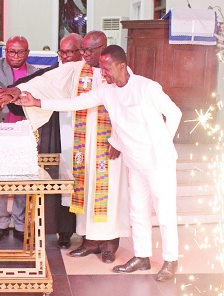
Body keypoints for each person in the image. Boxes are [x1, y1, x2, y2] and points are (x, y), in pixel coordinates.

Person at [16, 44, 182, 281]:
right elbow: (73, 103)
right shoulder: (107, 91)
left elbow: (174, 113)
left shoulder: (147, 87)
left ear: (121, 65)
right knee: (137, 212)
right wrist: (37, 102)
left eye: (106, 68)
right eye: (101, 69)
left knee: (165, 213)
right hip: (135, 162)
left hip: (158, 162)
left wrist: (164, 147)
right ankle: (142, 256)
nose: (102, 73)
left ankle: (171, 260)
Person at [0, 31, 130, 264]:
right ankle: (89, 240)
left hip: (108, 144)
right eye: (83, 50)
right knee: (84, 189)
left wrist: (118, 140)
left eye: (89, 50)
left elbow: (128, 108)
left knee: (109, 193)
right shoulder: (77, 69)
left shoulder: (119, 72)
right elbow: (46, 80)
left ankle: (109, 244)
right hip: (81, 143)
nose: (84, 54)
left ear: (103, 48)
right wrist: (17, 91)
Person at [0, 33, 83, 249]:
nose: (65, 56)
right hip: (58, 131)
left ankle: (84, 232)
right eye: (62, 52)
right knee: (57, 179)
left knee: (81, 179)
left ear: (81, 51)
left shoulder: (90, 73)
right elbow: (33, 83)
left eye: (70, 52)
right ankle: (62, 231)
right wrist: (14, 92)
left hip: (83, 132)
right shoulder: (53, 72)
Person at [0, 35, 38, 244]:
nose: (15, 55)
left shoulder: (34, 72)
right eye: (11, 51)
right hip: (0, 131)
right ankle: (0, 223)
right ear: (6, 52)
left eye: (20, 51)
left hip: (24, 131)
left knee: (22, 178)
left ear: (27, 53)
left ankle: (20, 223)